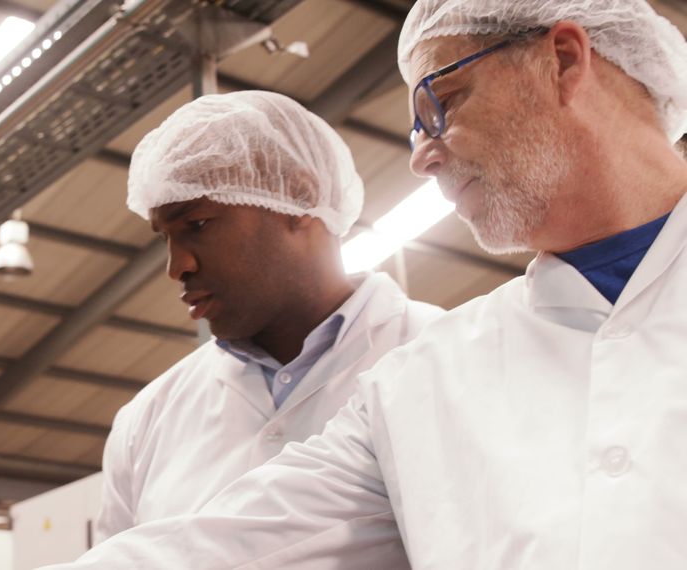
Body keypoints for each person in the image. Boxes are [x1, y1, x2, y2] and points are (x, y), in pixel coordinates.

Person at [48, 0, 687, 568]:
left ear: (563, 60)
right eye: (416, 126)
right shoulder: (423, 378)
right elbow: (222, 542)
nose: (421, 155)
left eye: (444, 100)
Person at [94, 90, 444, 543]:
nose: (176, 266)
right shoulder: (146, 421)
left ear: (297, 198)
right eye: (165, 237)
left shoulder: (440, 355)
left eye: (196, 225)